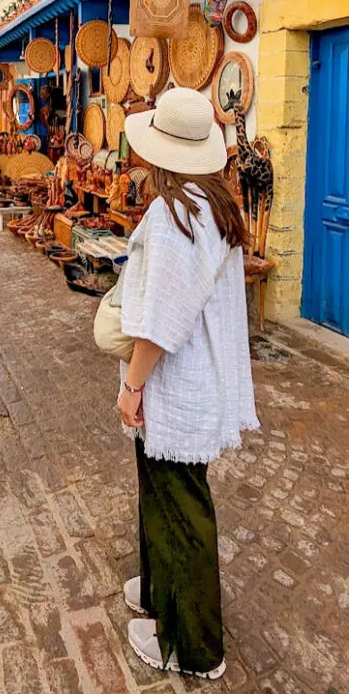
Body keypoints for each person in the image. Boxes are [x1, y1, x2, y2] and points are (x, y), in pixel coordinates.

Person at [116, 88, 259, 681]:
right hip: (199, 376)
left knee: (183, 505)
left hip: (177, 379)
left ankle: (195, 644)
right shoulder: (213, 203)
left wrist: (132, 385)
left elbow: (162, 319)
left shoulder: (176, 214)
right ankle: (158, 591)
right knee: (165, 492)